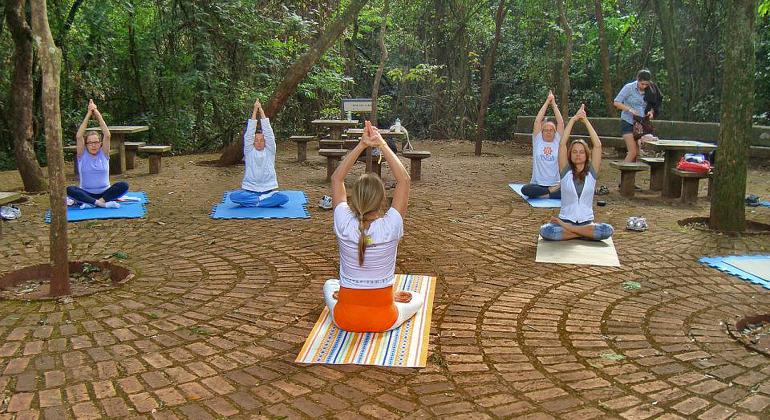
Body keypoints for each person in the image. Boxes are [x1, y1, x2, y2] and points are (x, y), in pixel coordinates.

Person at [323, 121, 424, 332]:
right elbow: (404, 180)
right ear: (382, 201)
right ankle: (388, 297)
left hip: (345, 319)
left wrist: (361, 144)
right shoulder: (391, 225)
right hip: (383, 320)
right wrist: (382, 144)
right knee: (417, 297)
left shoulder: (342, 221)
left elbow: (336, 178)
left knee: (330, 285)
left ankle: (355, 297)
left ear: (353, 199)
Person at [539, 105, 614, 241]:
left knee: (607, 230)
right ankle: (583, 234)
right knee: (546, 231)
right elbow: (562, 144)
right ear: (570, 155)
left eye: (581, 152)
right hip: (567, 220)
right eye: (574, 152)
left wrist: (585, 120)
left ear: (586, 155)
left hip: (585, 222)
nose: (578, 155)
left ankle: (573, 232)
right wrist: (573, 120)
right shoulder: (565, 172)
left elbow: (597, 145)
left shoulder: (591, 173)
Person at [66, 100, 128, 209]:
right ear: (86, 144)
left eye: (96, 142)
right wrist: (89, 113)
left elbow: (107, 135)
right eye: (90, 143)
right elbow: (79, 136)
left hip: (105, 194)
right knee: (70, 190)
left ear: (100, 144)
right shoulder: (82, 154)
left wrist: (96, 111)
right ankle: (100, 204)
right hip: (86, 193)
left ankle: (97, 202)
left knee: (123, 185)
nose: (93, 145)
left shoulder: (103, 153)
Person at [229, 98, 289, 207]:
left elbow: (269, 132)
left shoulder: (270, 151)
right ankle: (262, 201)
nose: (259, 142)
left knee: (284, 198)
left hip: (268, 190)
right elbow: (249, 133)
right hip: (250, 190)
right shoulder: (249, 151)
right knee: (233, 196)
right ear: (253, 142)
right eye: (256, 140)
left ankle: (255, 201)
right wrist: (254, 111)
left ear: (265, 142)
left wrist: (260, 109)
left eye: (262, 140)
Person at [522, 90, 564, 199]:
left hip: (555, 183)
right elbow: (537, 121)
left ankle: (545, 194)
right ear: (542, 131)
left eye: (551, 130)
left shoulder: (557, 141)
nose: (549, 131)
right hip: (538, 183)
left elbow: (561, 123)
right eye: (546, 129)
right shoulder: (538, 140)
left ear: (555, 132)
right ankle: (549, 193)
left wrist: (553, 103)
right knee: (525, 189)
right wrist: (547, 102)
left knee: (570, 190)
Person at [614, 69, 656, 162]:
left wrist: (651, 112)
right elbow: (616, 102)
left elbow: (651, 105)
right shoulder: (629, 88)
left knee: (636, 153)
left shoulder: (650, 89)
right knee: (632, 152)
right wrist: (629, 109)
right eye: (642, 84)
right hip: (628, 122)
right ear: (638, 80)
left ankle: (630, 175)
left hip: (641, 124)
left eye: (646, 84)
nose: (644, 86)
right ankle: (624, 170)